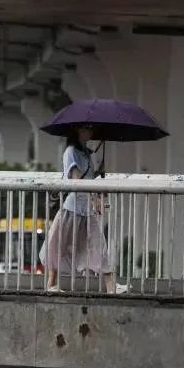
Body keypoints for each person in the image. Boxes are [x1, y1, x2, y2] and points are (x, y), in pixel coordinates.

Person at [39, 125, 122, 295]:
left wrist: (99, 174)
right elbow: (77, 179)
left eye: (91, 128)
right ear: (77, 131)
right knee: (59, 244)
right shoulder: (71, 152)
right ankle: (50, 284)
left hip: (87, 209)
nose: (91, 131)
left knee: (99, 244)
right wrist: (94, 197)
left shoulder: (86, 153)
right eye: (87, 128)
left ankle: (111, 286)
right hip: (73, 208)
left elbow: (88, 180)